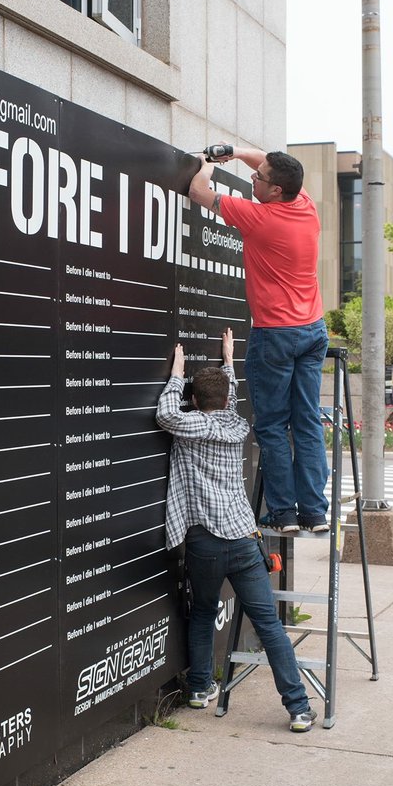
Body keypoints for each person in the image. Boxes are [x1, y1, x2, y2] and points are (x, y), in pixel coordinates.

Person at [155, 329, 318, 732]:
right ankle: (297, 708)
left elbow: (166, 413)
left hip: (203, 543)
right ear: (227, 399)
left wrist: (177, 373)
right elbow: (232, 399)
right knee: (269, 625)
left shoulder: (189, 426)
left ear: (193, 401)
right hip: (244, 541)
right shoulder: (237, 426)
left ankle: (197, 690)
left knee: (203, 612)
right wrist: (229, 360)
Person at [188, 148, 329, 534]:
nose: (254, 178)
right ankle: (315, 513)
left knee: (271, 425)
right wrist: (234, 153)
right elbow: (267, 162)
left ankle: (283, 514)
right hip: (313, 330)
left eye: (260, 178)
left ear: (276, 190)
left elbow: (199, 194)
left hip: (276, 334)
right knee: (306, 422)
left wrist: (206, 167)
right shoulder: (304, 206)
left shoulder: (259, 218)